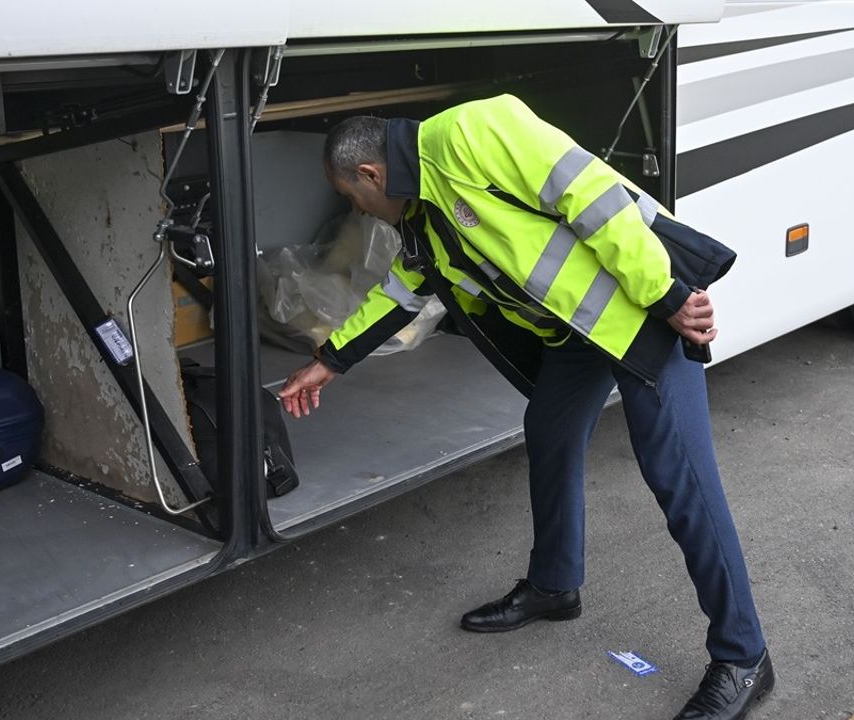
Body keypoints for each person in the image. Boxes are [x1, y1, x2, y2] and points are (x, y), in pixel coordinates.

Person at [278, 95, 773, 720]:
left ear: (371, 176)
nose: (359, 211)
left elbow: (594, 197)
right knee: (549, 433)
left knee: (682, 482)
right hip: (574, 336)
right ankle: (555, 585)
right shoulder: (421, 215)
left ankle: (743, 655)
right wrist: (331, 361)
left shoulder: (474, 132)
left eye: (353, 199)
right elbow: (401, 290)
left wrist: (668, 294)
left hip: (643, 316)